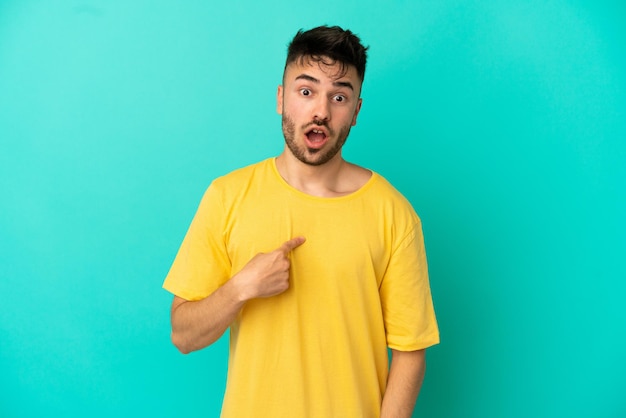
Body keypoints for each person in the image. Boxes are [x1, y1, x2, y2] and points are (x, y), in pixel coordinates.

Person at [163, 25, 439, 418]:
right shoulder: (227, 196)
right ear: (281, 98)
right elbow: (183, 335)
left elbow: (410, 353)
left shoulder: (393, 213)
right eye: (306, 91)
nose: (320, 112)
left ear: (356, 110)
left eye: (339, 96)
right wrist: (241, 287)